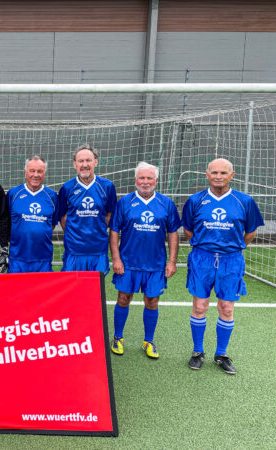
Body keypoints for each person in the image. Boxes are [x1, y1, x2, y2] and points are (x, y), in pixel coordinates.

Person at [182, 158, 264, 375]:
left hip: (231, 259)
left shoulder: (244, 201)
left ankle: (221, 354)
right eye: (214, 172)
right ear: (207, 175)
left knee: (226, 308)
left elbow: (251, 232)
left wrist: (232, 248)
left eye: (223, 173)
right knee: (200, 306)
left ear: (232, 175)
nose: (218, 176)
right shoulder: (195, 200)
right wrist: (205, 247)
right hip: (202, 258)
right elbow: (188, 231)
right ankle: (198, 351)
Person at [108, 162, 180, 359]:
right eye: (142, 178)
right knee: (123, 298)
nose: (145, 182)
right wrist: (116, 259)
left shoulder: (166, 203)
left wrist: (172, 262)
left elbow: (173, 233)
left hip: (155, 264)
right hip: (128, 262)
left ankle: (148, 341)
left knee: (152, 301)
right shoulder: (124, 202)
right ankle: (118, 337)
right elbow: (114, 231)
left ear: (156, 181)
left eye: (149, 178)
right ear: (135, 180)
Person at [58, 145, 117, 274]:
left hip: (98, 249)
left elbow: (110, 214)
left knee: (96, 285)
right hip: (74, 250)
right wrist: (74, 234)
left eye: (88, 160)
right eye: (81, 161)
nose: (85, 165)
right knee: (73, 285)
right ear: (75, 164)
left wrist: (98, 229)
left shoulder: (107, 186)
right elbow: (62, 216)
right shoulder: (67, 188)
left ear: (95, 162)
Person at [6, 156, 59, 273]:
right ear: (25, 172)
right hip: (17, 259)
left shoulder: (52, 196)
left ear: (44, 173)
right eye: (32, 171)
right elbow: (8, 221)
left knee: (43, 286)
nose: (36, 175)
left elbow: (52, 224)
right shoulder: (13, 193)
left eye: (40, 171)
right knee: (16, 285)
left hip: (43, 259)